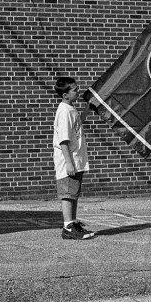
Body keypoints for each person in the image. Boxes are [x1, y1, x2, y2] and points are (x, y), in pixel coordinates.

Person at [53, 77, 95, 240]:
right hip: (68, 160)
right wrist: (69, 163)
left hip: (77, 159)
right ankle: (68, 227)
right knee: (68, 193)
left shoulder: (71, 109)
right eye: (75, 90)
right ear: (65, 95)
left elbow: (78, 124)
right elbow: (63, 140)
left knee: (74, 192)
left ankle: (73, 222)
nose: (78, 92)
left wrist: (87, 109)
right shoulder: (63, 111)